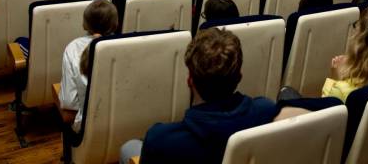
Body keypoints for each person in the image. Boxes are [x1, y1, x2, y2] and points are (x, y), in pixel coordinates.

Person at [120, 28, 280, 164]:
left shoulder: (160, 140)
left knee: (129, 147)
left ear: (190, 80)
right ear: (239, 77)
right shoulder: (265, 111)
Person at [59, 0, 119, 133]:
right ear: (115, 24)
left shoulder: (73, 48)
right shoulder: (126, 44)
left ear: (84, 24)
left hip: (88, 128)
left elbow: (69, 110)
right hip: (123, 121)